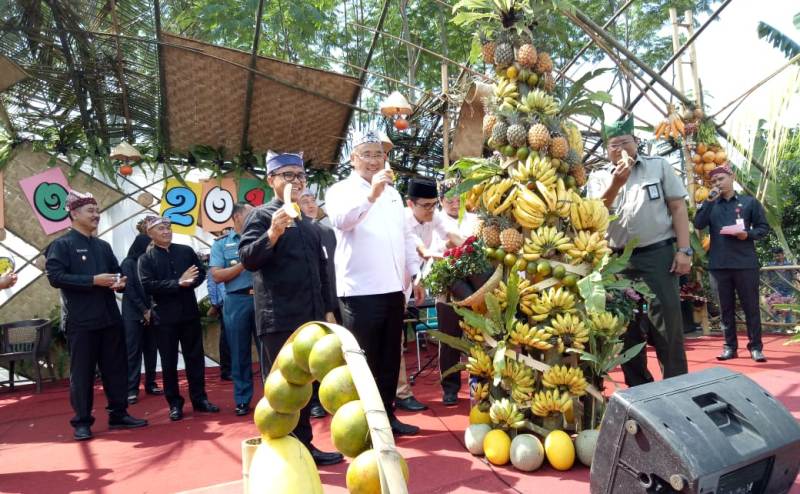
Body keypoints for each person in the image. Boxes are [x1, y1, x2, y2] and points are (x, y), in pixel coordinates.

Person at [238, 151, 342, 466]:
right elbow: (248, 259)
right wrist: (273, 233)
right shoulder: (261, 216)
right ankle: (281, 454)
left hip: (310, 319)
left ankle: (303, 447)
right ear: (271, 180)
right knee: (282, 389)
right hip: (279, 317)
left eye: (299, 175)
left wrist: (327, 310)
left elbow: (322, 272)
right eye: (287, 175)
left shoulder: (308, 223)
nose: (295, 181)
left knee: (303, 389)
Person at [325, 130, 423, 436]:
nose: (372, 161)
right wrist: (371, 196)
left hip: (394, 289)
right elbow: (342, 220)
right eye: (366, 155)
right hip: (359, 292)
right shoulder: (340, 190)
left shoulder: (394, 195)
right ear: (353, 159)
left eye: (378, 154)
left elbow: (406, 237)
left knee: (391, 358)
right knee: (364, 361)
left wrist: (415, 274)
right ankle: (366, 424)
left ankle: (389, 416)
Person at [45, 190, 147, 440]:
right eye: (91, 211)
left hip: (109, 318)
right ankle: (82, 421)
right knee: (82, 373)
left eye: (97, 210)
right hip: (81, 322)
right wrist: (93, 280)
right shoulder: (62, 245)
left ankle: (118, 414)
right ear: (74, 213)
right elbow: (55, 278)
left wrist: (119, 282)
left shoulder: (102, 246)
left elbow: (114, 273)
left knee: (116, 369)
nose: (96, 215)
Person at [597, 117, 691, 387]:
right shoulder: (599, 176)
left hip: (657, 255)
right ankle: (639, 388)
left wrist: (684, 250)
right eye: (614, 145)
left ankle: (677, 387)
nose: (620, 148)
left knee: (667, 323)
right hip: (616, 261)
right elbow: (594, 214)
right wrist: (616, 184)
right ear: (607, 149)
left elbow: (678, 208)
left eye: (625, 142)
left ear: (636, 143)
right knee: (625, 326)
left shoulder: (658, 166)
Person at [138, 215, 220, 421]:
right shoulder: (145, 259)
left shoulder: (185, 251)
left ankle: (200, 399)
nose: (166, 231)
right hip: (164, 318)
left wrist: (189, 282)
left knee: (195, 358)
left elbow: (201, 272)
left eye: (168, 227)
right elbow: (147, 285)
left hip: (189, 313)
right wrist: (177, 283)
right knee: (169, 362)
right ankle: (174, 403)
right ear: (150, 234)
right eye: (160, 229)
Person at [397, 178, 464, 410]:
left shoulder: (432, 217)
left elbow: (450, 234)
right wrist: (427, 258)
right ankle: (398, 394)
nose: (430, 210)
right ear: (410, 204)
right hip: (393, 281)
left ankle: (400, 393)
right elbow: (416, 247)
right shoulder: (402, 220)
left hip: (412, 279)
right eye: (425, 205)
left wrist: (470, 247)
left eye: (433, 205)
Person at [693, 164, 770, 362]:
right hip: (719, 265)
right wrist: (709, 200)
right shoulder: (711, 204)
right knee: (725, 309)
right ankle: (729, 347)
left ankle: (756, 347)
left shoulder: (749, 202)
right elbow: (698, 224)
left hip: (745, 264)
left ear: (731, 177)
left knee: (751, 307)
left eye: (721, 179)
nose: (718, 183)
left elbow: (763, 228)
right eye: (714, 181)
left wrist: (748, 234)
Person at [210, 202, 259, 416]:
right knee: (239, 353)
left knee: (270, 352)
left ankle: (276, 399)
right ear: (238, 217)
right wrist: (243, 264)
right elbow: (217, 276)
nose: (255, 217)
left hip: (262, 299)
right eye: (250, 214)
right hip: (236, 301)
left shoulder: (262, 237)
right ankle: (242, 400)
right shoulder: (222, 244)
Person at [433, 179, 478, 405]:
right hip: (446, 289)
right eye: (449, 200)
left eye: (458, 199)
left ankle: (477, 383)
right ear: (440, 201)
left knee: (476, 337)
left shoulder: (475, 219)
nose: (454, 204)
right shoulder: (434, 220)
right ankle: (450, 388)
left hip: (473, 290)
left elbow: (478, 249)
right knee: (449, 339)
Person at [298, 189, 335, 419]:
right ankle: (313, 400)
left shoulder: (329, 231)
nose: (311, 204)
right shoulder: (295, 232)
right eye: (305, 201)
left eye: (313, 200)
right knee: (312, 355)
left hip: (333, 300)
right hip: (308, 303)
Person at [120, 226, 162, 404]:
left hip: (150, 312)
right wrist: (143, 310)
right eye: (150, 244)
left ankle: (151, 383)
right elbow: (129, 290)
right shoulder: (128, 263)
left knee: (151, 349)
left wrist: (151, 309)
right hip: (133, 314)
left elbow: (154, 287)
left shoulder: (151, 262)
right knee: (133, 351)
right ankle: (131, 388)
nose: (152, 247)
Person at [205, 246, 232, 382]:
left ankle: (235, 368)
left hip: (239, 299)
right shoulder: (215, 263)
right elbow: (212, 284)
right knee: (226, 337)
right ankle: (226, 370)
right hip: (224, 303)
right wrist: (215, 304)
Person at [765, 247, 799, 324]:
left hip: (788, 289)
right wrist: (767, 289)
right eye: (775, 256)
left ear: (783, 255)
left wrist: (797, 287)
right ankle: (777, 326)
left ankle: (788, 326)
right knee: (775, 307)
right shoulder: (770, 265)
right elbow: (768, 278)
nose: (777, 257)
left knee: (788, 308)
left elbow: (794, 276)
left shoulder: (789, 265)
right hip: (775, 289)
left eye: (778, 255)